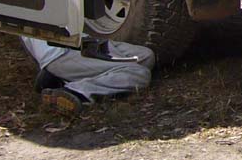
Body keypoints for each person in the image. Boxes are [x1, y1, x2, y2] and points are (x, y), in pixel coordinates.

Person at [22, 36, 155, 114]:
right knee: (139, 73)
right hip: (62, 52)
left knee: (146, 56)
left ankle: (57, 77)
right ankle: (76, 91)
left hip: (88, 42)